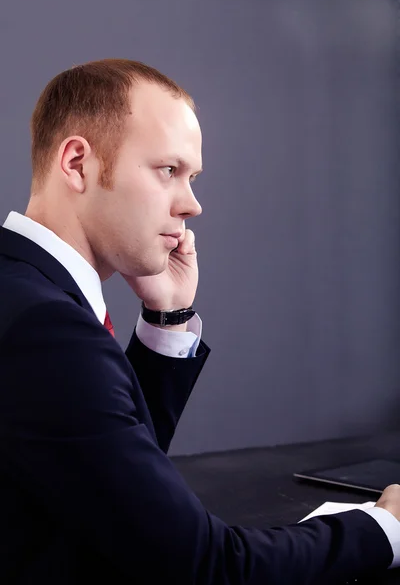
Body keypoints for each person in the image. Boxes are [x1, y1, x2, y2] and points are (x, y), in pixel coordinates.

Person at [0, 58, 399, 585]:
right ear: (77, 163)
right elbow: (204, 568)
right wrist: (385, 529)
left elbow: (116, 494)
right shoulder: (46, 329)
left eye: (192, 177)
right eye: (168, 170)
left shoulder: (25, 293)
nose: (192, 205)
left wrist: (167, 320)